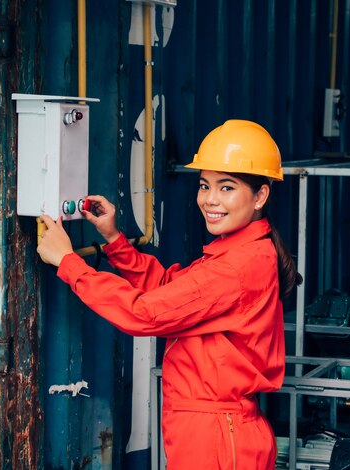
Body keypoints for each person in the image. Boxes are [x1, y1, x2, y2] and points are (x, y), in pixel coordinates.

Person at [37, 119, 300, 469]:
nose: (209, 200)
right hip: (214, 429)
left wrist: (69, 263)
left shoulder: (237, 266)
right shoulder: (238, 252)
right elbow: (171, 291)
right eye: (205, 185)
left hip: (216, 435)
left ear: (260, 196)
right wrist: (116, 241)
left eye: (227, 188)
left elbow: (145, 313)